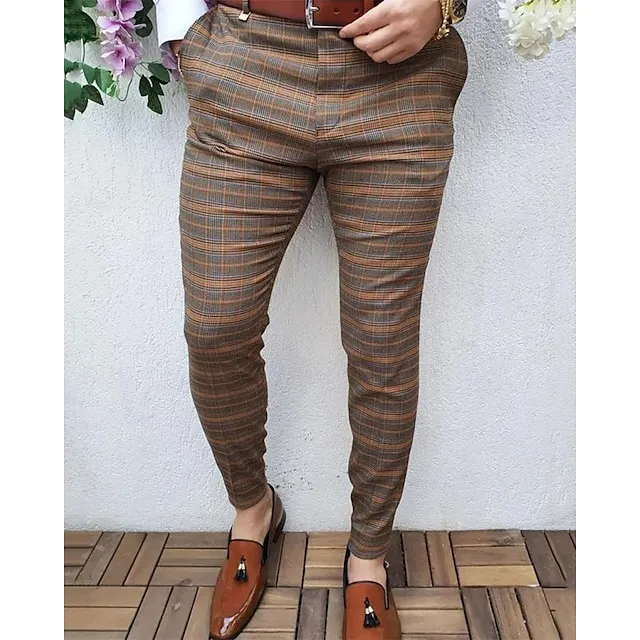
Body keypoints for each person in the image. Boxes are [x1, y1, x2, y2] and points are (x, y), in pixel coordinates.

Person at [153, 1, 477, 638]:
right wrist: (182, 34)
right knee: (217, 326)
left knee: (382, 337)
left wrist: (444, 4)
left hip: (398, 78)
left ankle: (369, 556)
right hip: (246, 63)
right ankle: (254, 509)